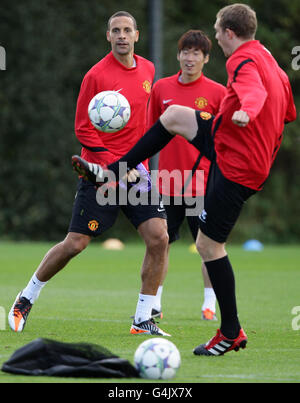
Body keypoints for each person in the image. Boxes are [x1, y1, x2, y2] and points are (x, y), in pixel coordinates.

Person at [72, 4, 297, 355]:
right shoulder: (266, 56)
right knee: (175, 115)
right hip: (231, 145)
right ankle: (118, 169)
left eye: (217, 32)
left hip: (237, 166)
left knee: (208, 245)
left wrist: (247, 112)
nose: (217, 39)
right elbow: (288, 111)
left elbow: (255, 93)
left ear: (229, 33)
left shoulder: (242, 60)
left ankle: (230, 332)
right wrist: (248, 125)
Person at [8, 11, 171, 337]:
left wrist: (134, 164)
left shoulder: (149, 70)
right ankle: (27, 297)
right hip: (99, 172)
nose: (122, 35)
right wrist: (112, 168)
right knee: (76, 243)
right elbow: (83, 130)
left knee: (159, 238)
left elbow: (145, 119)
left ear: (137, 35)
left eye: (127, 30)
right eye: (116, 31)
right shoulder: (96, 76)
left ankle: (142, 319)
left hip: (135, 171)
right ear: (108, 36)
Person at [147, 30, 226, 321]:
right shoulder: (161, 88)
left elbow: (225, 140)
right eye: (185, 52)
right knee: (160, 243)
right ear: (178, 55)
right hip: (166, 183)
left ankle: (209, 304)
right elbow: (149, 133)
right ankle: (154, 301)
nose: (190, 58)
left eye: (196, 53)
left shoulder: (219, 93)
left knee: (210, 245)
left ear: (206, 58)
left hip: (204, 184)